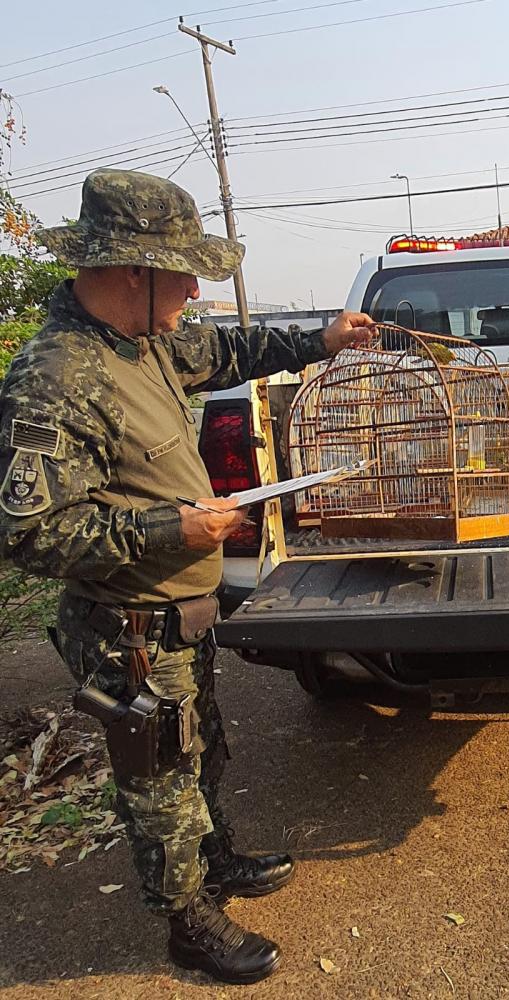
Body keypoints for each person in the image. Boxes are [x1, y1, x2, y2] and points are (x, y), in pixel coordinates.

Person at [0, 167, 374, 985]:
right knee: (158, 771)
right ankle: (186, 920)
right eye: (182, 271)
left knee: (197, 743)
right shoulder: (59, 376)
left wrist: (322, 339)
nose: (196, 288)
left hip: (181, 610)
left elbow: (233, 347)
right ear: (131, 269)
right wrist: (173, 525)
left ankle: (215, 858)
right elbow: (28, 533)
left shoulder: (150, 340)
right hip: (126, 624)